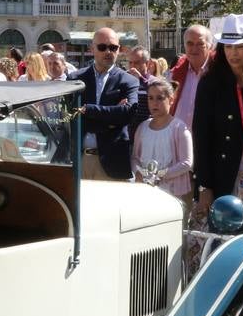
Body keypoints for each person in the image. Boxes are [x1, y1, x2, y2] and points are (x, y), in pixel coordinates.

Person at [192, 15, 243, 232]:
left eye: (240, 46)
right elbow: (201, 136)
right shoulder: (210, 83)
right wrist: (204, 186)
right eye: (228, 46)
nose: (233, 53)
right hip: (224, 179)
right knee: (223, 245)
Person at [69, 28, 138, 180]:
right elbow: (70, 115)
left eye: (113, 47)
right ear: (92, 49)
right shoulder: (75, 79)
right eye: (102, 47)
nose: (108, 51)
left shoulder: (129, 81)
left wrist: (88, 110)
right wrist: (112, 120)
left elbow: (128, 114)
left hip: (112, 163)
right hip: (79, 160)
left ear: (119, 50)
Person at [131, 77, 192, 205]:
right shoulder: (142, 127)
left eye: (160, 98)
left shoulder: (179, 128)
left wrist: (160, 175)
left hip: (172, 193)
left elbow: (187, 162)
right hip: (146, 191)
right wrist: (138, 173)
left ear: (171, 100)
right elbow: (135, 157)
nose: (154, 103)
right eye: (150, 98)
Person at [170, 24, 213, 129]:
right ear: (184, 46)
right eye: (190, 44)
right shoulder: (174, 74)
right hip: (178, 139)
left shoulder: (218, 73)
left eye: (200, 44)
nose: (194, 48)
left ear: (210, 46)